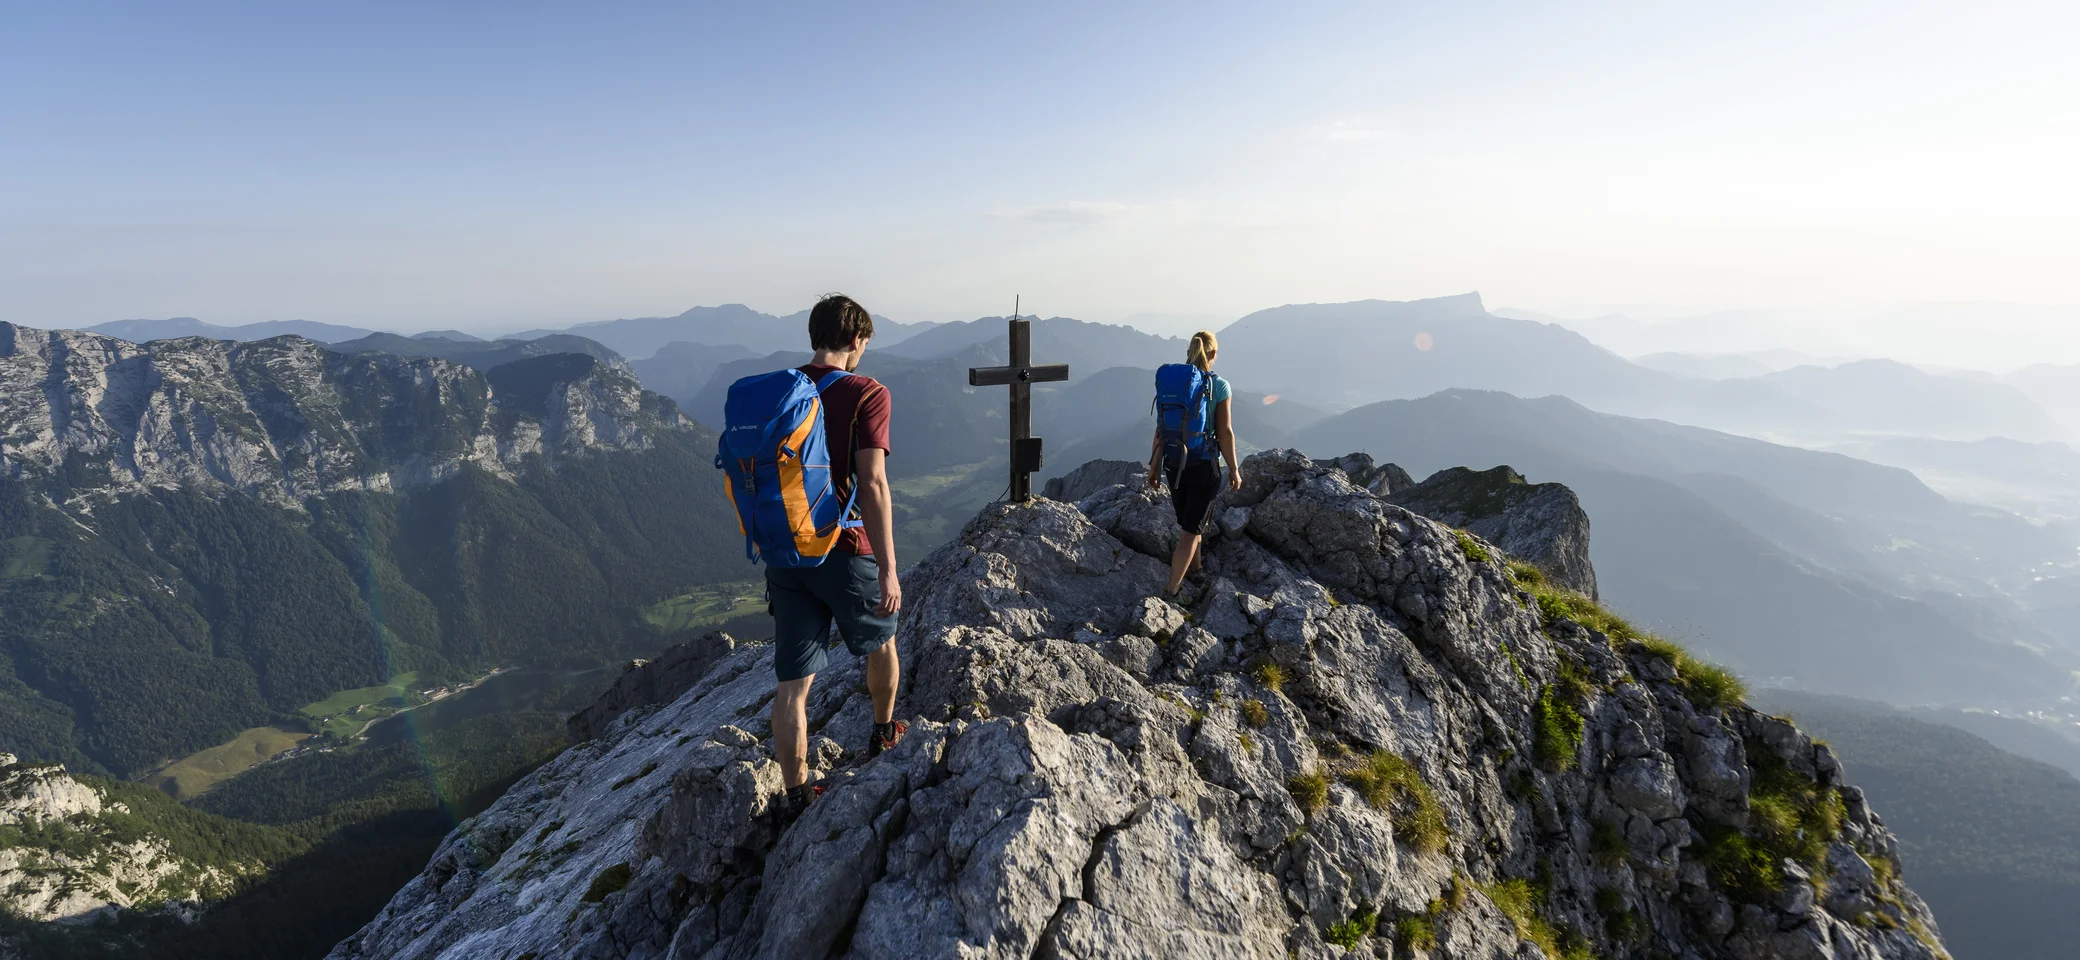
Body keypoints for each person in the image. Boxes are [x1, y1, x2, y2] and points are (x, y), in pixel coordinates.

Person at [768, 294, 905, 818]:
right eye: (865, 341)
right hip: (845, 550)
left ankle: (797, 793)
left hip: (787, 553)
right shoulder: (867, 392)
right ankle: (882, 733)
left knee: (793, 685)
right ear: (855, 340)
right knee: (882, 640)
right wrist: (889, 569)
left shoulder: (783, 389)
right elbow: (872, 483)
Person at [1147, 330, 1241, 598]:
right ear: (1213, 354)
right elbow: (1225, 432)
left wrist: (1154, 468)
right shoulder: (1219, 386)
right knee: (1190, 531)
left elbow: (1160, 430)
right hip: (1202, 464)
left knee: (1191, 522)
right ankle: (1172, 591)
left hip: (1173, 463)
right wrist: (1234, 468)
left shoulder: (1175, 385)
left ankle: (1196, 570)